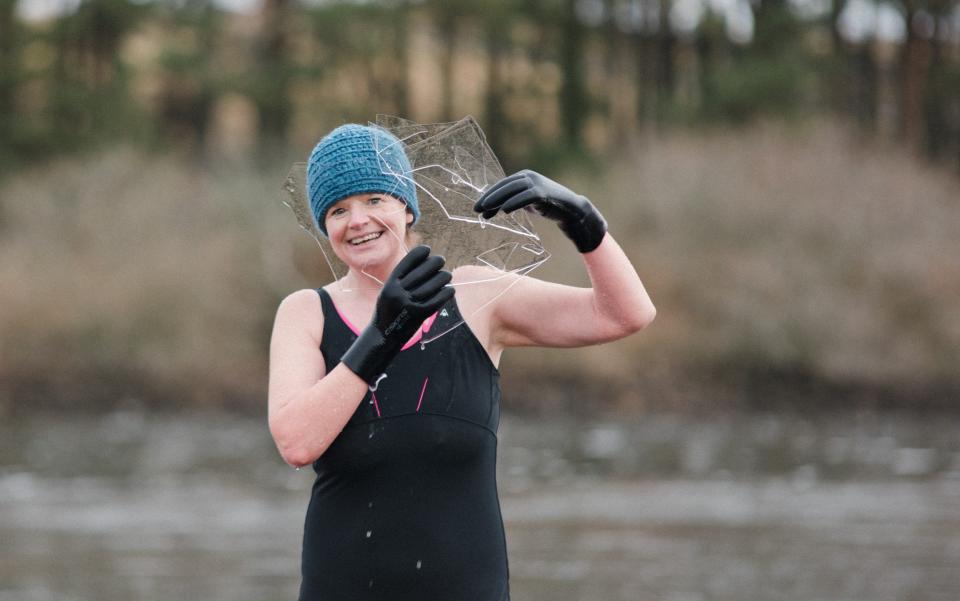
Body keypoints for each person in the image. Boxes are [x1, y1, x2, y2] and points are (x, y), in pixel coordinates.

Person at [268, 123, 656, 601]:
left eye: (374, 200)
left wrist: (583, 220)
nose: (358, 220)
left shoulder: (477, 296)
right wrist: (381, 336)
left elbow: (625, 315)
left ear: (406, 206)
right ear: (325, 228)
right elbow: (296, 444)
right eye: (337, 210)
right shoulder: (305, 312)